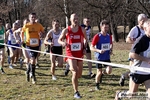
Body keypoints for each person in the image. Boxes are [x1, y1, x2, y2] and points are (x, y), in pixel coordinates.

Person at [115, 19, 150, 100]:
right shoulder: (141, 40)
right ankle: (119, 94)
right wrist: (146, 59)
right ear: (145, 29)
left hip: (148, 71)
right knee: (131, 95)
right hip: (138, 71)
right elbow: (131, 54)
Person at [58, 13, 88, 99]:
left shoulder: (82, 29)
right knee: (75, 72)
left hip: (79, 54)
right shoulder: (66, 30)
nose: (76, 20)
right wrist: (63, 43)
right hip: (70, 53)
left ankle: (68, 67)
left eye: (77, 18)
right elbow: (59, 40)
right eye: (74, 18)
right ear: (70, 20)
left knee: (79, 74)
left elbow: (86, 39)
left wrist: (84, 48)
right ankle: (76, 92)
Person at [119, 14, 147, 86]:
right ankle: (125, 76)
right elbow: (127, 39)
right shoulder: (135, 29)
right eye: (143, 21)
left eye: (146, 20)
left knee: (141, 70)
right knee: (133, 70)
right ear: (139, 21)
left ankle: (126, 76)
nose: (145, 22)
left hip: (144, 54)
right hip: (135, 53)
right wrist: (137, 43)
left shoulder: (147, 29)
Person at [21, 13, 44, 84]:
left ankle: (28, 71)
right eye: (32, 17)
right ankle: (33, 76)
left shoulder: (39, 25)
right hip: (28, 45)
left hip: (36, 45)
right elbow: (22, 32)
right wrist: (22, 39)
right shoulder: (26, 25)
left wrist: (41, 34)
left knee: (33, 60)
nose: (33, 18)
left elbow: (43, 32)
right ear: (29, 18)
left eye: (34, 17)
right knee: (33, 59)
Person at [90, 20, 113, 90]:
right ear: (101, 27)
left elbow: (111, 44)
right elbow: (91, 47)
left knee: (109, 71)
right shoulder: (97, 36)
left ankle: (103, 74)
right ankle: (97, 85)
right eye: (104, 27)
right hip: (99, 57)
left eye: (107, 27)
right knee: (98, 72)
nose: (106, 29)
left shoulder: (109, 36)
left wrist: (111, 50)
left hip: (106, 57)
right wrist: (99, 51)